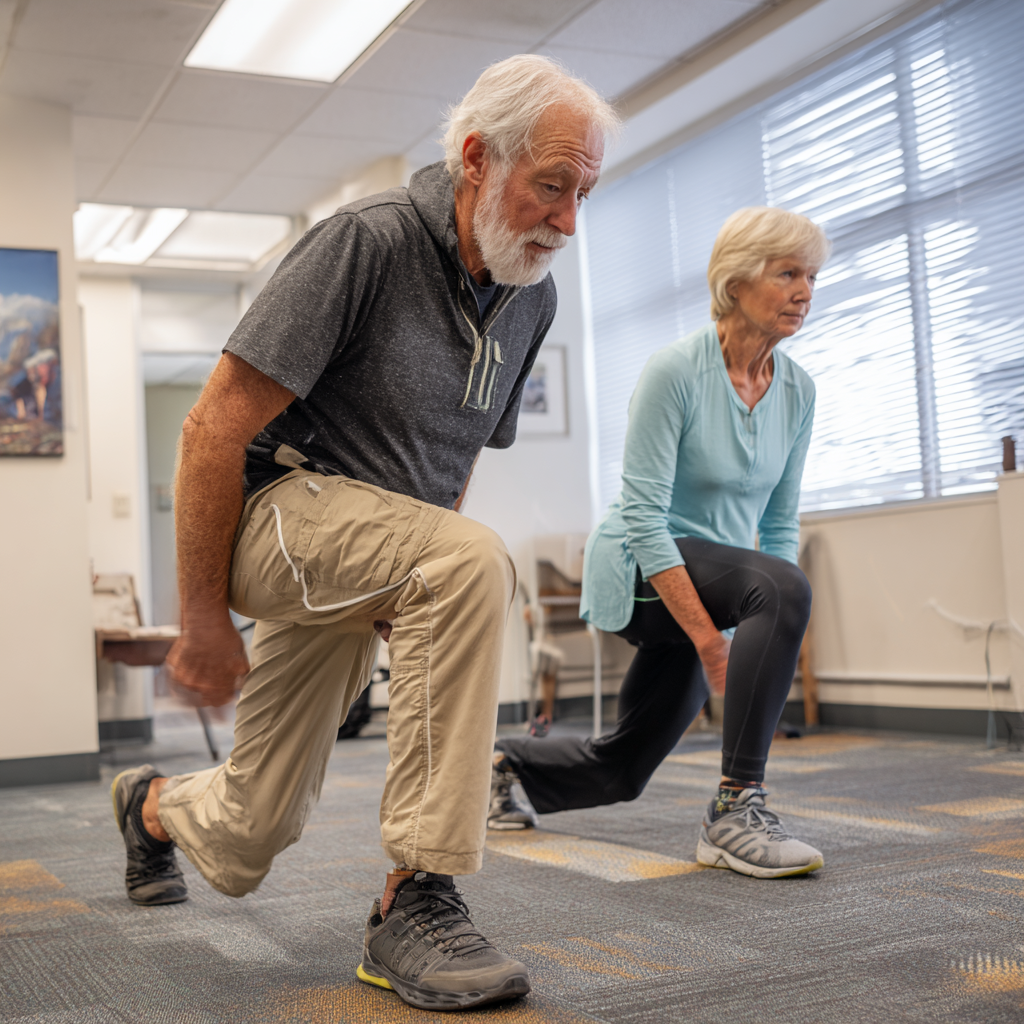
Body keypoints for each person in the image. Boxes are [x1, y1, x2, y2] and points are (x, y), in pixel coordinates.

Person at [109, 55, 619, 1013]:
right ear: (477, 159)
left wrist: (415, 574)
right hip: (277, 519)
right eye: (553, 185)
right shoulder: (365, 243)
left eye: (584, 192)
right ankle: (416, 896)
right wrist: (201, 619)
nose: (568, 221)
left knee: (247, 835)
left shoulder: (531, 296)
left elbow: (457, 452)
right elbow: (211, 428)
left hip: (362, 552)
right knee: (469, 561)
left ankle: (147, 806)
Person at [490, 207, 832, 880]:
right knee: (779, 584)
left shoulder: (798, 390)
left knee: (621, 769)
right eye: (788, 272)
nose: (805, 290)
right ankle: (736, 810)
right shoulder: (674, 372)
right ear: (736, 283)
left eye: (813, 276)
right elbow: (645, 517)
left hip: (722, 581)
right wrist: (712, 639)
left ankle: (500, 763)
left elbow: (781, 523)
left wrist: (761, 610)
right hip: (642, 567)